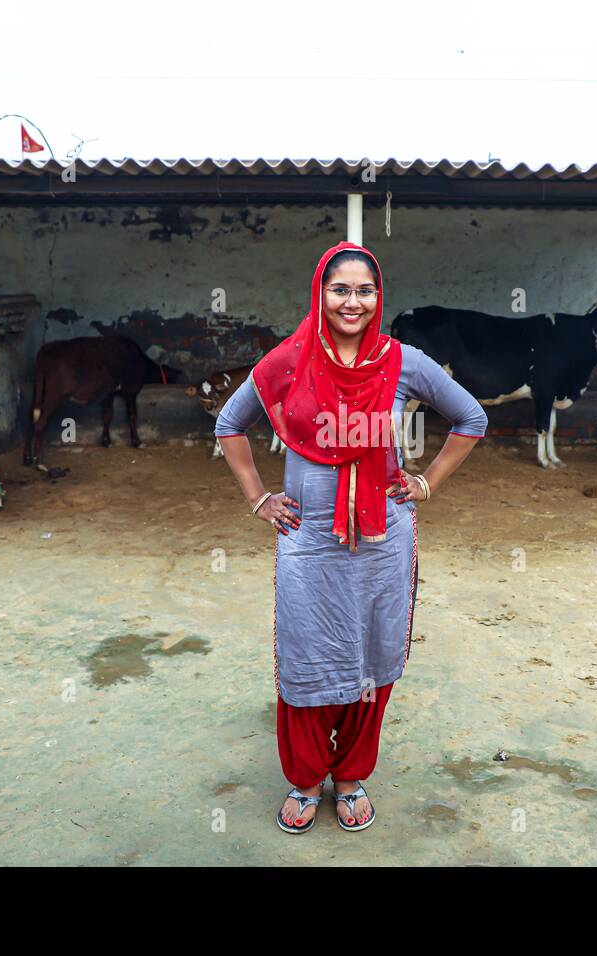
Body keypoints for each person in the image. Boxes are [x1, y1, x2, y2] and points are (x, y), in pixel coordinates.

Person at [214, 241, 487, 833]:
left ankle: (351, 775)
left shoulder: (402, 360)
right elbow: (228, 423)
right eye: (340, 289)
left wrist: (426, 483)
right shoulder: (289, 359)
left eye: (365, 290)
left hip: (382, 538)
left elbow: (472, 418)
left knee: (371, 655)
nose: (353, 301)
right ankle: (306, 778)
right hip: (309, 539)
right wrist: (259, 498)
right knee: (309, 657)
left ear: (378, 297)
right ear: (320, 292)